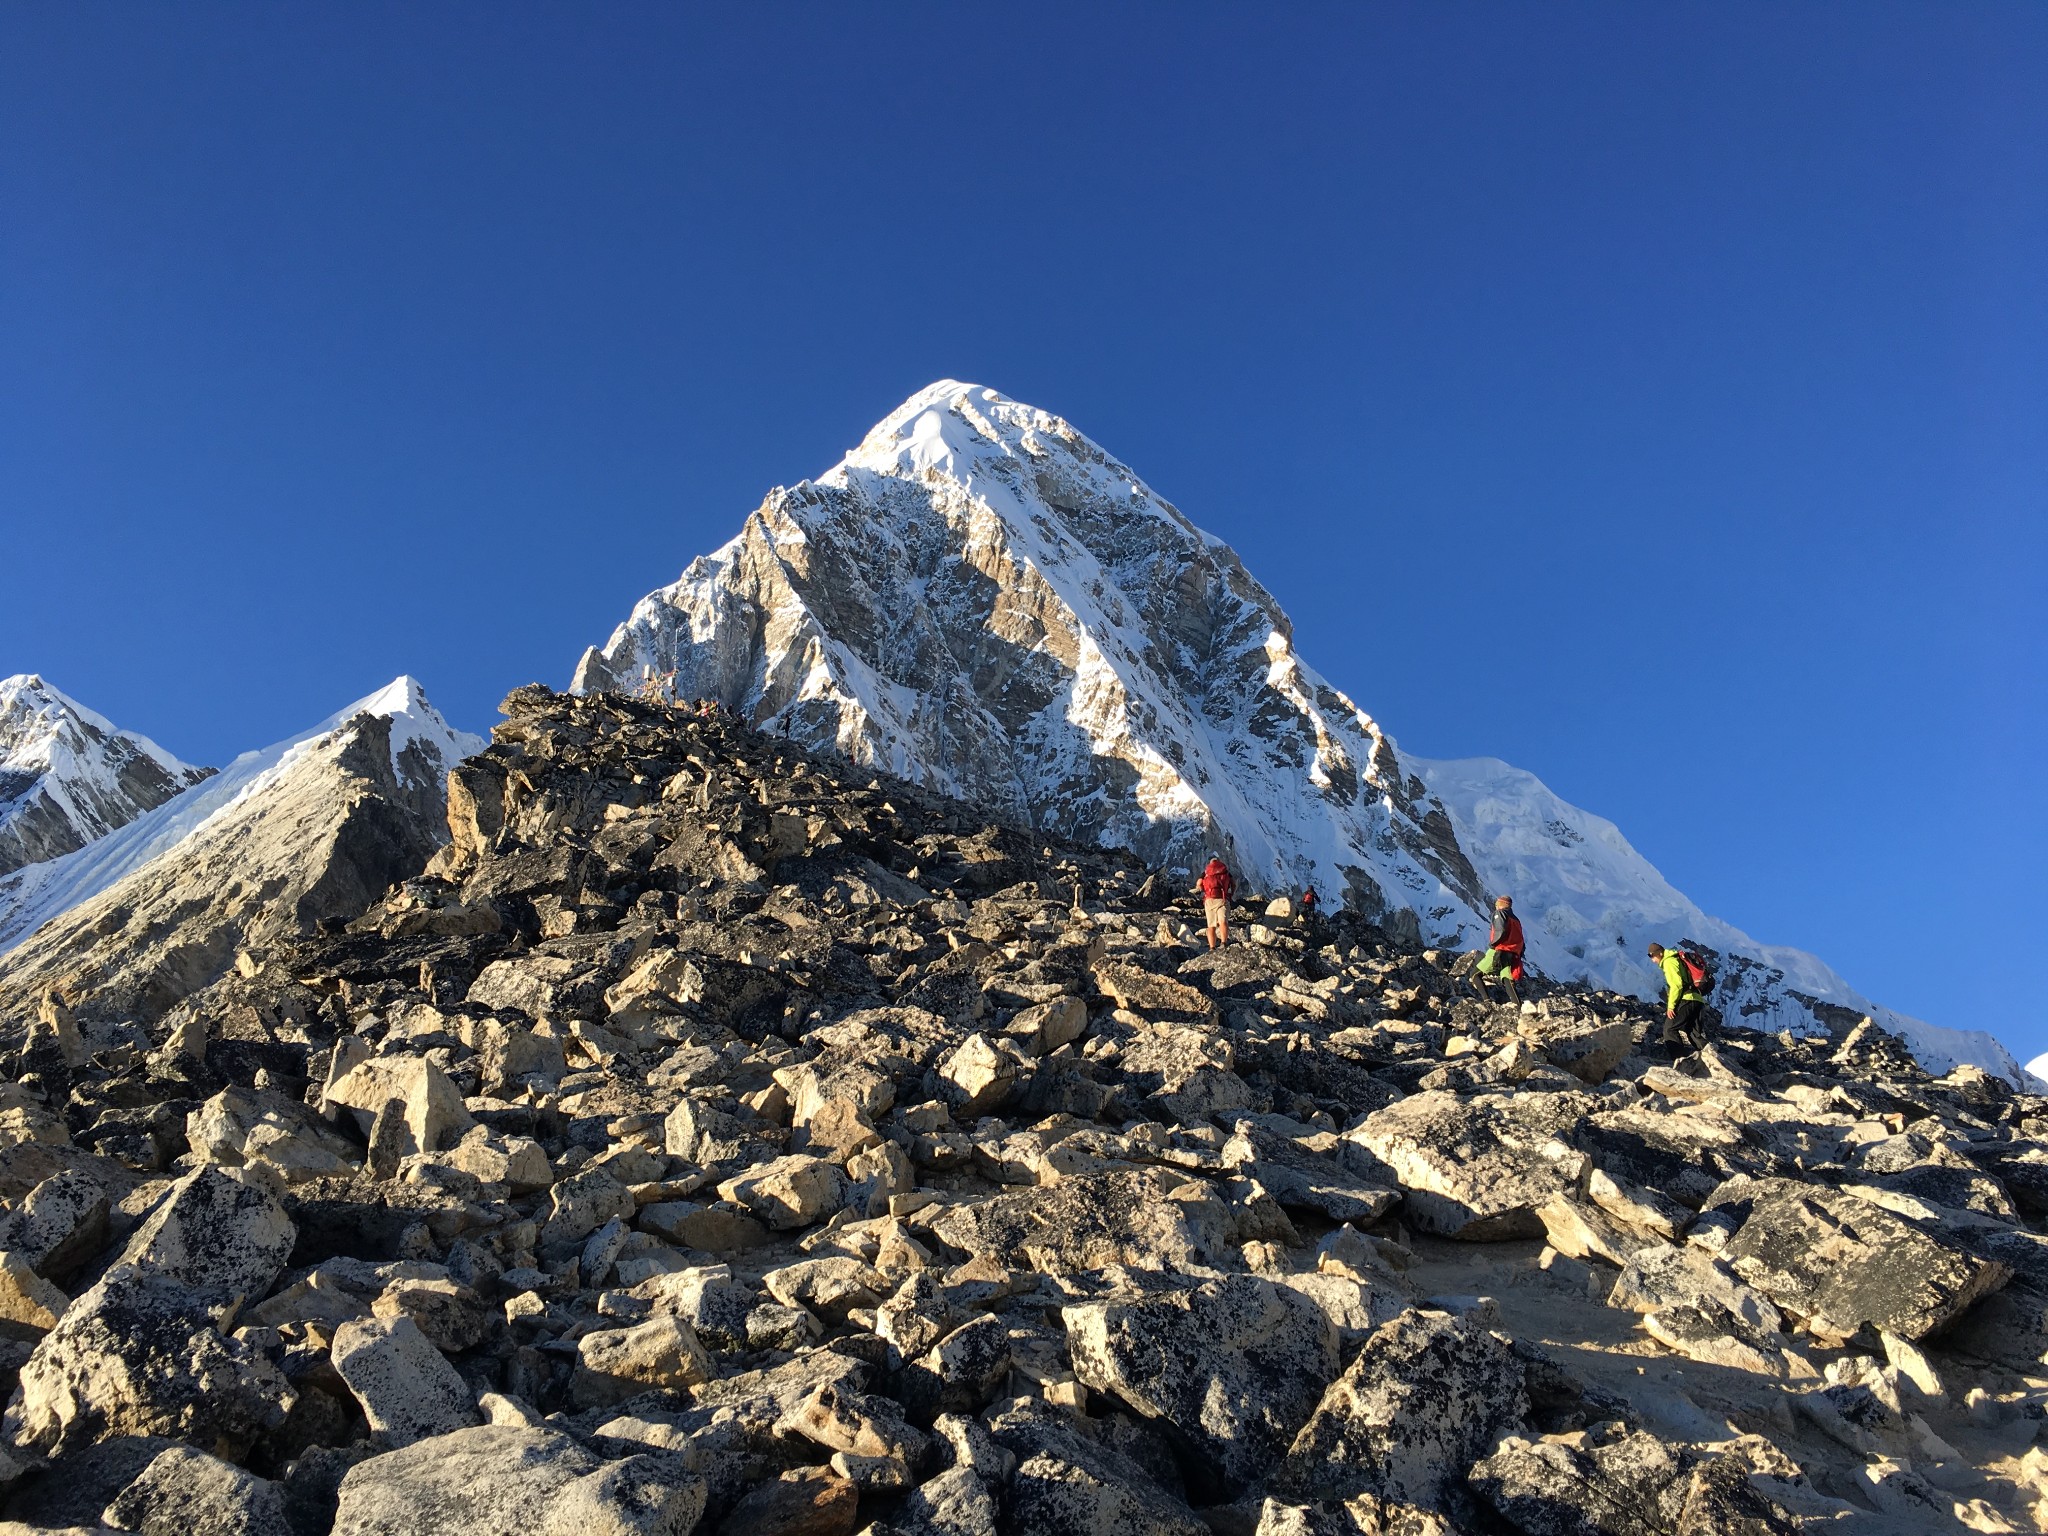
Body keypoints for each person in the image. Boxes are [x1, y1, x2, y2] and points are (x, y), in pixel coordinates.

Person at [1647, 942, 1708, 1051]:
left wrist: (1671, 1007)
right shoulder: (1677, 959)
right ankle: (1712, 1055)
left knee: (1669, 1029)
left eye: (1653, 956)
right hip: (1697, 999)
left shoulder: (1669, 962)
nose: (1653, 960)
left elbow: (1677, 985)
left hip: (1687, 999)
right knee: (1693, 1033)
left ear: (1660, 953)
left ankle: (1680, 1061)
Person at [1473, 895, 1525, 1003]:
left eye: (1496, 904)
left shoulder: (1500, 913)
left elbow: (1500, 930)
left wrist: (1493, 944)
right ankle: (1518, 1006)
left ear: (1501, 905)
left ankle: (1487, 1001)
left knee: (1475, 974)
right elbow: (1521, 939)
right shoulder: (1516, 920)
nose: (1495, 906)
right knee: (1507, 979)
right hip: (1513, 953)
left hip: (1500, 950)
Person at [1196, 857, 1235, 949]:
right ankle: (1223, 943)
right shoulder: (1224, 871)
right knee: (1223, 922)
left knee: (1211, 926)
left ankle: (1212, 947)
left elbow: (1199, 883)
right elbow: (1234, 883)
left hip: (1209, 900)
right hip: (1222, 898)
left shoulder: (1206, 872)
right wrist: (1231, 893)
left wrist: (1202, 889)